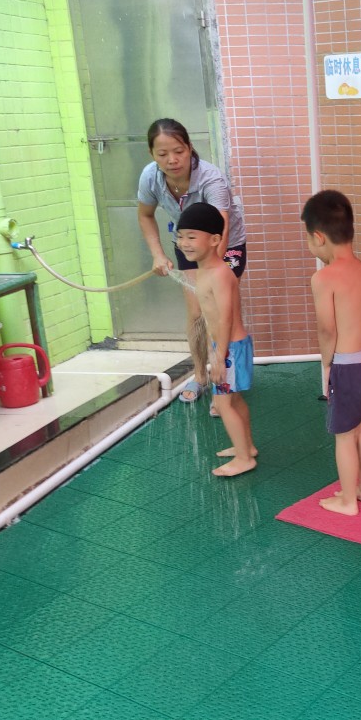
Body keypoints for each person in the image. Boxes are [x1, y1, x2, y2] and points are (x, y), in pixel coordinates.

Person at [137, 119, 247, 403]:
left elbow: (221, 229)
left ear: (189, 148)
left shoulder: (211, 179)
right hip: (188, 245)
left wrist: (212, 272)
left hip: (224, 244)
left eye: (178, 151)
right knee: (197, 313)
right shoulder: (150, 177)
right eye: (162, 154)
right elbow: (145, 215)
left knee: (220, 312)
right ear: (151, 154)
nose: (172, 160)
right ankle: (200, 375)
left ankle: (226, 385)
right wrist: (158, 254)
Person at [301, 190, 361, 516]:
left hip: (349, 367)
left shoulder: (323, 278)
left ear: (319, 237)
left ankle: (348, 500)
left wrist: (326, 367)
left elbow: (328, 330)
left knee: (344, 436)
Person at [172, 203, 255, 478]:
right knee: (235, 400)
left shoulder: (219, 274)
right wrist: (213, 349)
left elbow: (226, 317)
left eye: (191, 236)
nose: (184, 242)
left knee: (222, 403)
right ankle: (246, 447)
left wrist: (219, 357)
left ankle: (244, 458)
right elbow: (211, 318)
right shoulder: (204, 271)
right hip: (227, 347)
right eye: (180, 236)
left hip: (231, 348)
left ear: (215, 239)